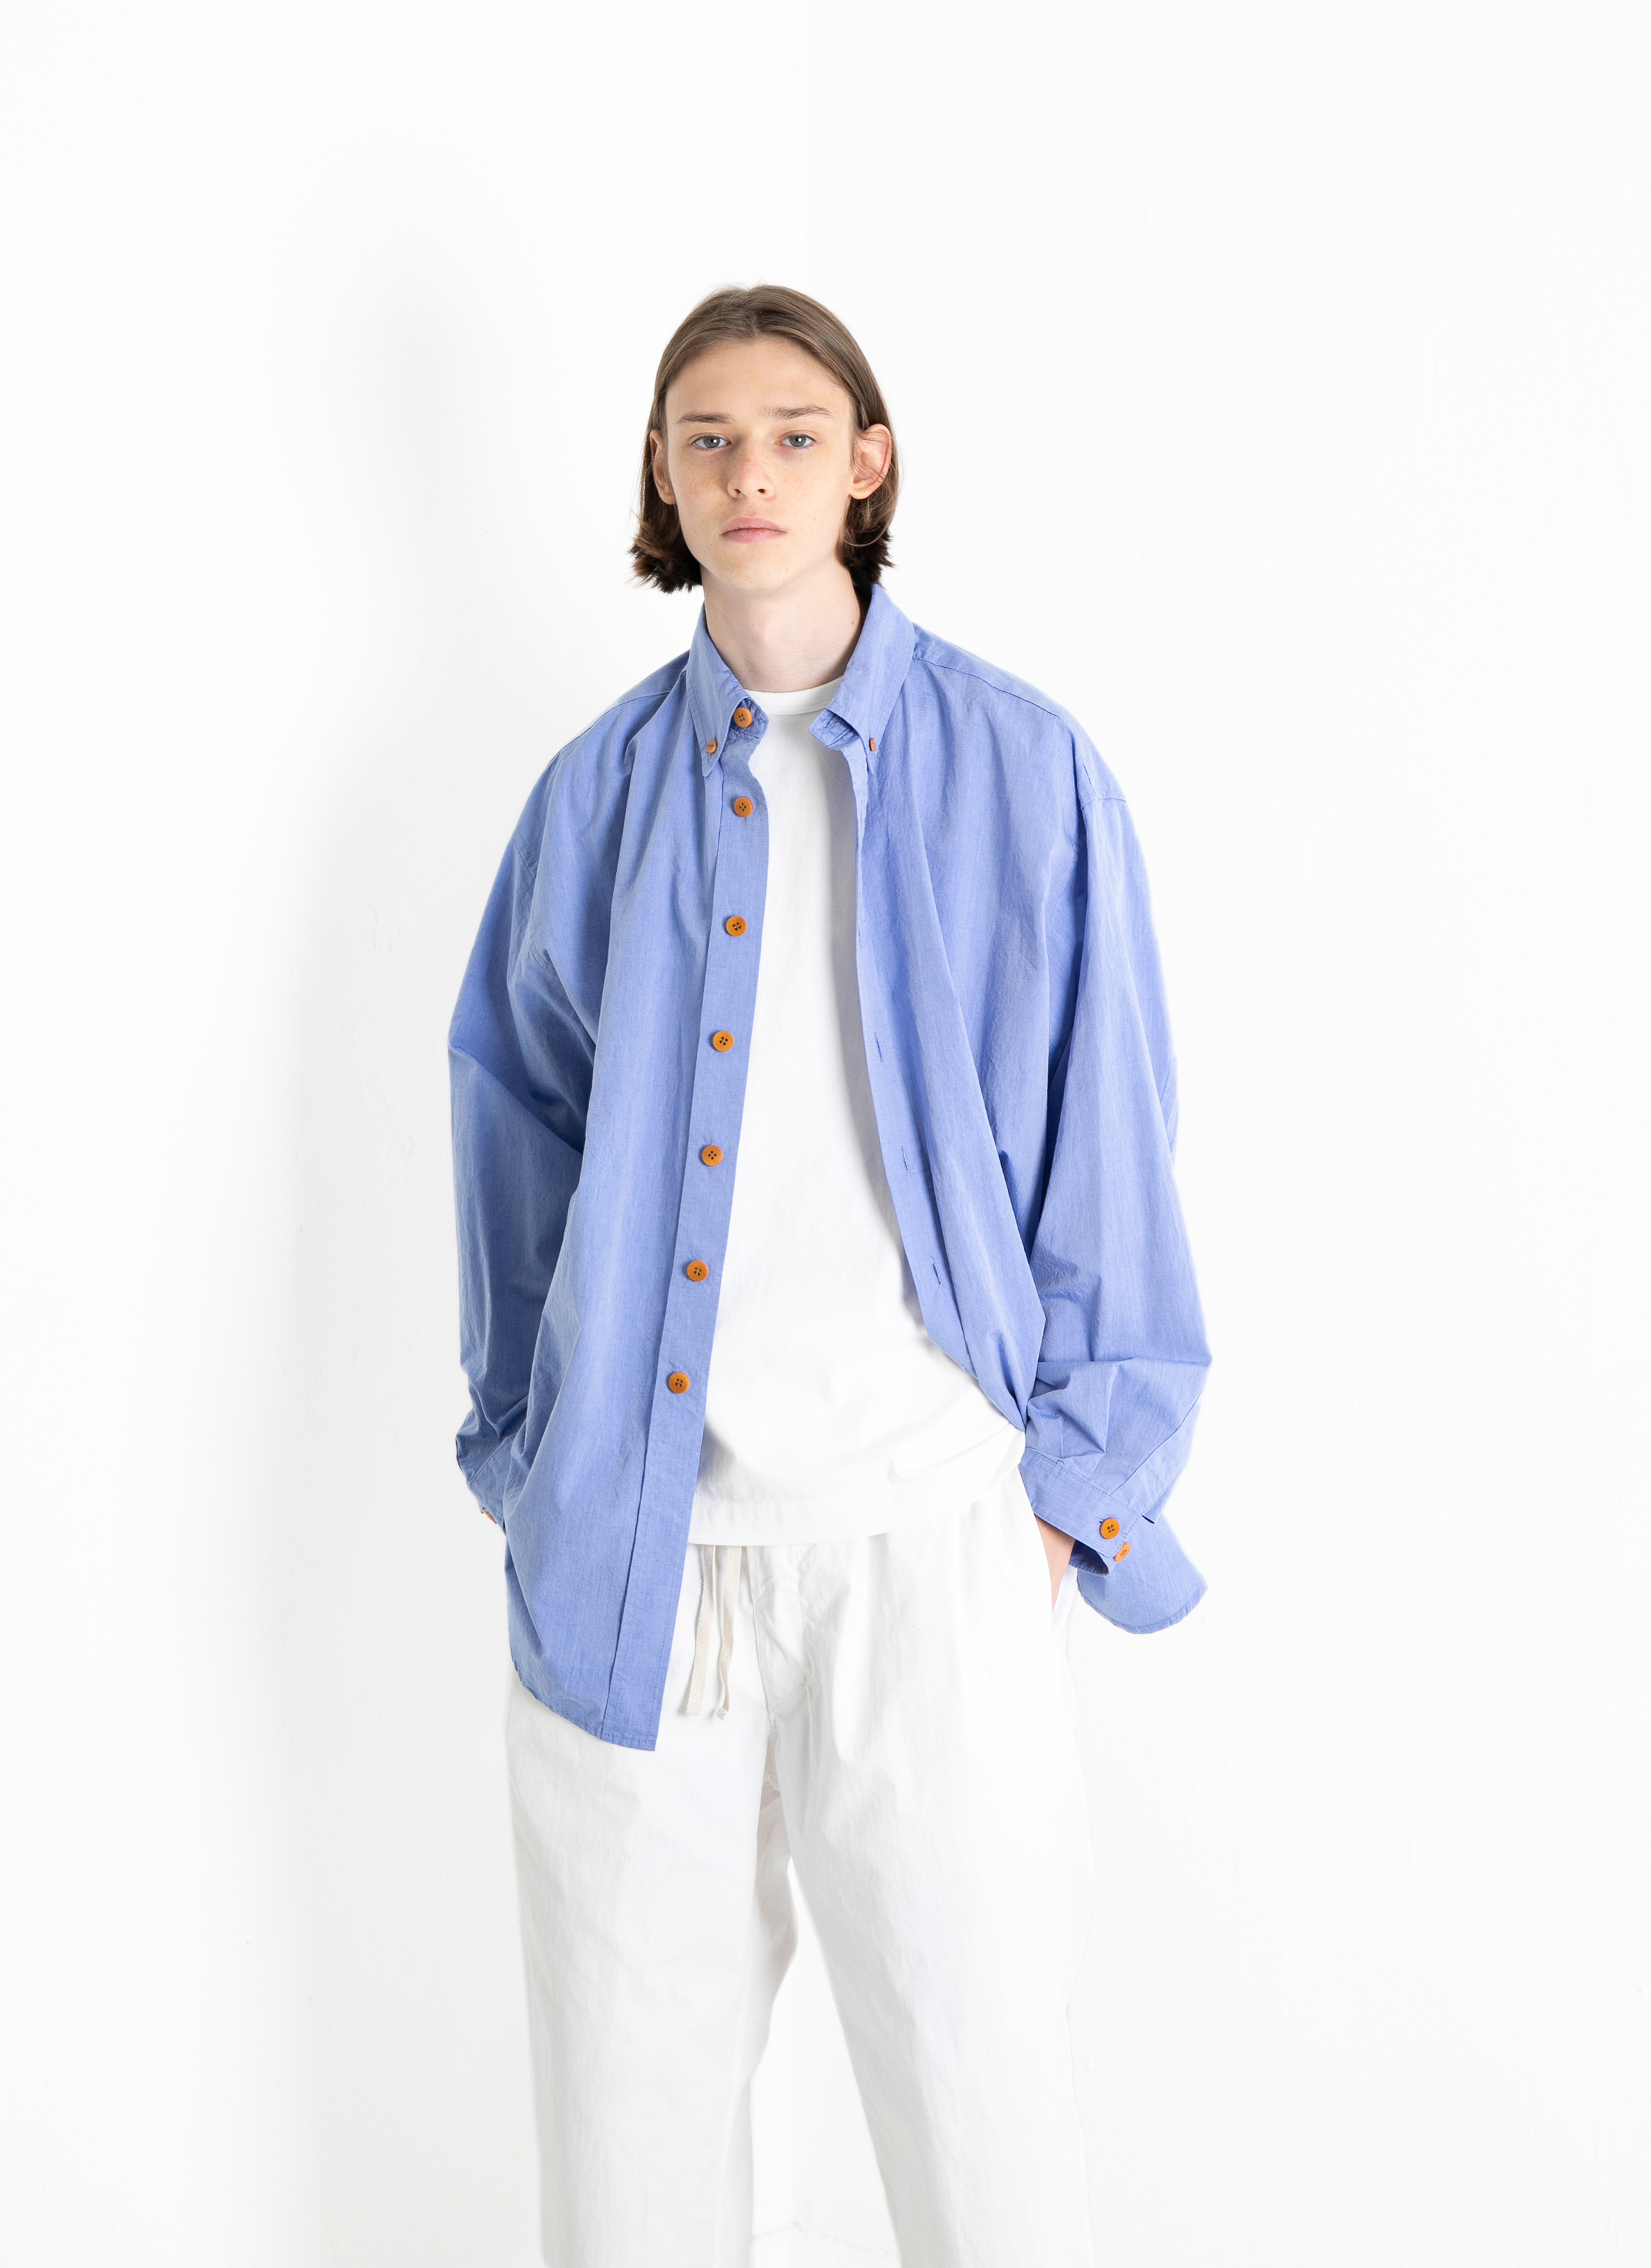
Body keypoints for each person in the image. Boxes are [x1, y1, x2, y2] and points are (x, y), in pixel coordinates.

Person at [448, 283, 1210, 2268]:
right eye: (706, 438)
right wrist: (532, 1464)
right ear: (661, 475)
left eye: (793, 433)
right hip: (644, 1569)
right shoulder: (592, 799)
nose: (749, 473)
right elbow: (507, 1130)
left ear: (867, 462)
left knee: (985, 2149)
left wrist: (1066, 1492)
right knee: (629, 2181)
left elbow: (1110, 1147)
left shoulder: (1024, 769)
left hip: (929, 1545)